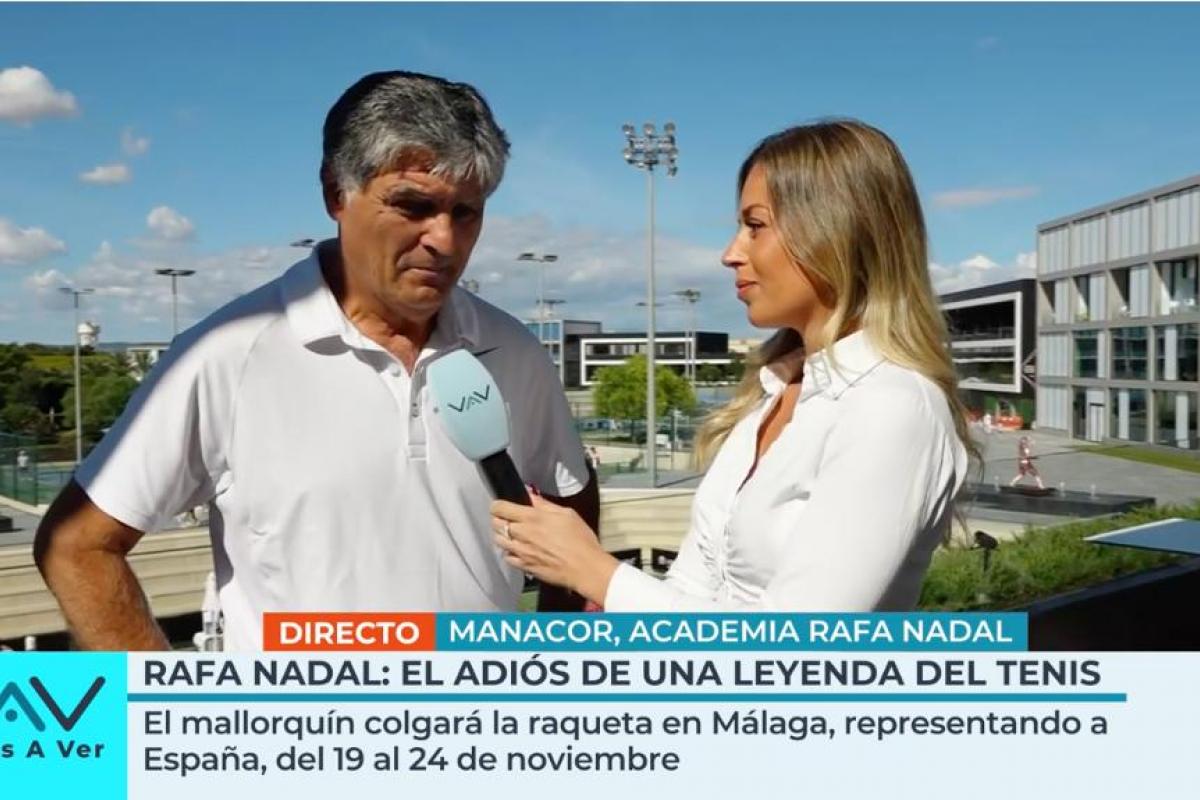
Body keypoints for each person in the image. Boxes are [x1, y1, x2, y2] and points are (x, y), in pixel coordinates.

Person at [33, 71, 598, 650]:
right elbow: (77, 546)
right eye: (413, 205)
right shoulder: (226, 355)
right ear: (336, 193)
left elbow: (571, 493)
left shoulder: (514, 350)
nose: (444, 241)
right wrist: (169, 699)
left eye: (466, 213)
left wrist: (555, 662)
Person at [492, 120, 975, 611]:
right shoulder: (770, 396)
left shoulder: (892, 407)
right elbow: (693, 592)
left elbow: (795, 648)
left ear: (837, 231)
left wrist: (597, 573)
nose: (730, 254)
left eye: (755, 226)